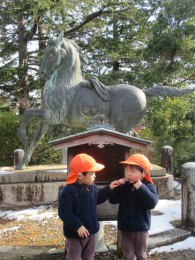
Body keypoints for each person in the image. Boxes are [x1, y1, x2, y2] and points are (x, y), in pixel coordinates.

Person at [58, 153, 120, 260]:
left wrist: (109, 188)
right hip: (74, 236)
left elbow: (98, 198)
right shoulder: (69, 191)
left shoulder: (92, 187)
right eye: (92, 173)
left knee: (89, 256)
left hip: (91, 233)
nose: (95, 176)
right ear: (80, 176)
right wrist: (77, 226)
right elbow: (64, 212)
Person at [109, 153, 159, 260]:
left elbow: (152, 203)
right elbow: (113, 200)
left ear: (144, 173)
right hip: (125, 228)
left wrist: (141, 187)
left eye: (133, 171)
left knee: (141, 254)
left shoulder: (149, 186)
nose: (128, 174)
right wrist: (115, 188)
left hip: (141, 228)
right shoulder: (125, 186)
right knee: (127, 254)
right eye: (127, 171)